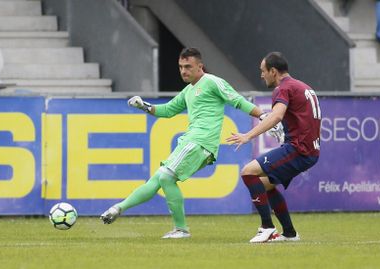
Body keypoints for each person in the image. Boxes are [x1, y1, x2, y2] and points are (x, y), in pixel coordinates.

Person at [100, 47, 265, 239]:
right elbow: (168, 110)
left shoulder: (212, 82)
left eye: (188, 66)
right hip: (192, 142)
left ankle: (181, 229)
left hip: (199, 142)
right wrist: (143, 105)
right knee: (157, 179)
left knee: (166, 178)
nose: (183, 71)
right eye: (180, 67)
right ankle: (118, 208)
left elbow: (237, 100)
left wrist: (263, 115)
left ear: (200, 66)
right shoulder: (188, 90)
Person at [227, 52, 321, 243]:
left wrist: (248, 136)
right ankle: (289, 233)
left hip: (298, 149)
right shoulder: (303, 87)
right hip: (309, 150)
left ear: (273, 71)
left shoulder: (283, 88)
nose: (261, 75)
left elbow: (277, 115)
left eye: (263, 71)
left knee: (248, 172)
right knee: (263, 185)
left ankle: (267, 227)